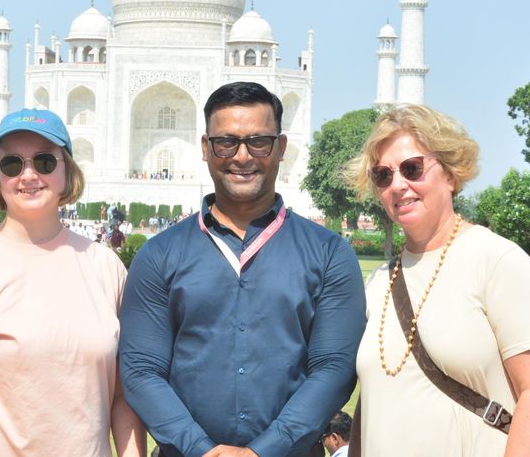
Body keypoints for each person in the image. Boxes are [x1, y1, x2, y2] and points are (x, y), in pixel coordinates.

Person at [119, 82, 366, 457]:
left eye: (259, 142)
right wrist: (199, 448)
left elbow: (334, 368)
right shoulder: (161, 255)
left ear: (281, 148)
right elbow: (141, 370)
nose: (242, 156)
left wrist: (263, 451)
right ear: (205, 148)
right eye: (226, 142)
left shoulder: (328, 253)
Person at [0, 108, 146, 457]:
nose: (28, 175)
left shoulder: (104, 267)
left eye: (44, 162)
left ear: (67, 170)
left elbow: (122, 398)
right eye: (12, 164)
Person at [343, 104, 530, 456]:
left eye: (412, 169)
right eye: (383, 176)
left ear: (451, 174)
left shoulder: (497, 261)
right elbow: (371, 406)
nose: (398, 185)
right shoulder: (380, 281)